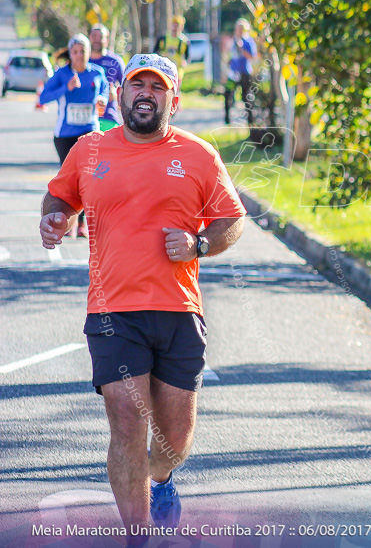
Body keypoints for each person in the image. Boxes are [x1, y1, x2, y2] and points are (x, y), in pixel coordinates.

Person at [38, 53, 246, 543]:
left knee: (173, 444)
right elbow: (61, 197)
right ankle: (140, 535)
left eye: (157, 87)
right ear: (121, 94)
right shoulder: (90, 149)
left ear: (172, 99)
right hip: (113, 313)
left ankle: (163, 478)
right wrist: (55, 218)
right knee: (127, 424)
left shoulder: (198, 154)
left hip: (179, 311)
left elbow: (231, 219)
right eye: (137, 86)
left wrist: (199, 244)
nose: (145, 94)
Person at [39, 34, 109, 238]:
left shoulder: (97, 73)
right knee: (70, 180)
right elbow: (43, 97)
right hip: (65, 135)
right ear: (70, 54)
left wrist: (103, 100)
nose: (79, 55)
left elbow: (104, 91)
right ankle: (67, 221)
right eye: (76, 52)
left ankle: (82, 224)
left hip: (90, 132)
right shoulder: (62, 74)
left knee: (88, 178)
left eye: (83, 51)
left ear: (88, 53)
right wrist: (65, 88)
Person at [89, 23, 126, 128]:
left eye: (101, 37)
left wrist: (117, 95)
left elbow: (128, 87)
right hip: (85, 120)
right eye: (94, 36)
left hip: (108, 118)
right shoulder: (82, 61)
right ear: (89, 38)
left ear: (107, 40)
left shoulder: (115, 61)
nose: (97, 40)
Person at [226, 18, 257, 125]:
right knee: (228, 94)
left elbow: (252, 57)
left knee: (246, 97)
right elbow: (230, 55)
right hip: (233, 73)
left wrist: (241, 48)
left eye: (241, 29)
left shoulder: (248, 41)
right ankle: (227, 120)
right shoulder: (233, 40)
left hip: (245, 73)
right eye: (237, 29)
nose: (238, 31)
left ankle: (250, 120)